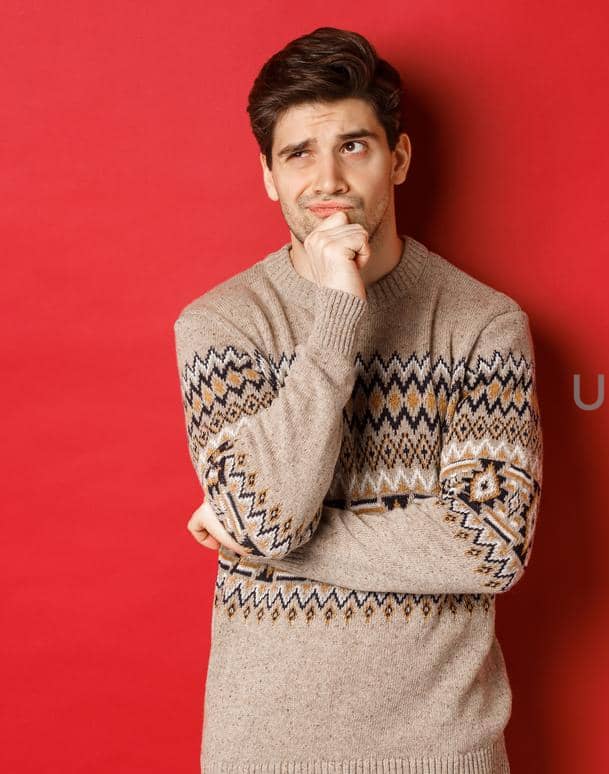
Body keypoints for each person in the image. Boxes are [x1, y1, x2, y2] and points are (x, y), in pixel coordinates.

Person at [173, 26, 541, 773]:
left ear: (397, 159)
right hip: (263, 751)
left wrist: (274, 544)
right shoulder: (220, 324)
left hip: (443, 750)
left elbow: (490, 546)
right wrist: (339, 318)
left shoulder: (483, 325)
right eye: (298, 154)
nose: (327, 178)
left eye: (354, 146)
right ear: (270, 178)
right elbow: (260, 513)